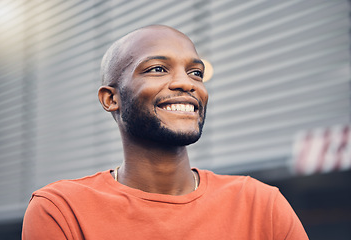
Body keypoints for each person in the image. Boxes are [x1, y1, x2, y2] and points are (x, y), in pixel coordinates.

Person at [22, 25, 308, 239]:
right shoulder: (62, 209)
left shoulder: (261, 204)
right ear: (111, 99)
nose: (187, 83)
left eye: (196, 73)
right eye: (158, 69)